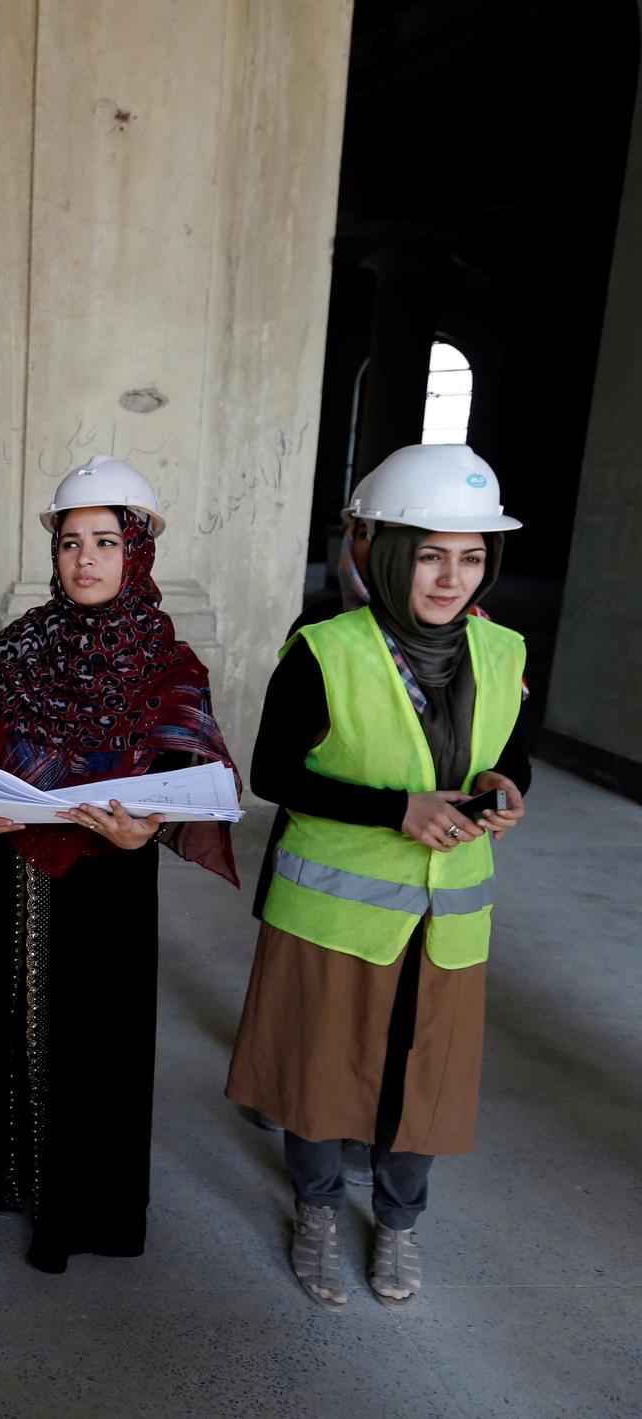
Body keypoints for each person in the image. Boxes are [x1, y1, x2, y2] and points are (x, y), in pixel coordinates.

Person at [226, 444, 529, 1309]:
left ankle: (398, 1222)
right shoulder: (326, 648)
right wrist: (396, 809)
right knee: (321, 1076)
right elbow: (275, 770)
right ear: (390, 552)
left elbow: (510, 756)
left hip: (449, 918)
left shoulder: (502, 650)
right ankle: (317, 1212)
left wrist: (506, 790)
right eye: (431, 553)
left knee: (421, 1078)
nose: (450, 576)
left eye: (471, 556)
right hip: (335, 915)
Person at [0, 455, 240, 1273]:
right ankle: (0, 1174)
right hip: (16, 875)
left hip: (109, 880)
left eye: (105, 541)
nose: (85, 560)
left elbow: (190, 778)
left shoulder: (167, 664)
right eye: (71, 542)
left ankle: (88, 1207)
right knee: (4, 1017)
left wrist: (148, 831)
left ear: (136, 549)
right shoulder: (20, 646)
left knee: (96, 1036)